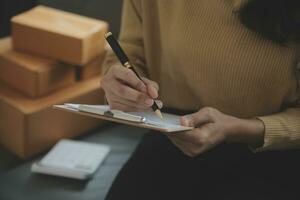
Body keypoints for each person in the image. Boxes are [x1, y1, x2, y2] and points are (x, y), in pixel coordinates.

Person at [101, 0, 300, 199]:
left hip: (271, 151)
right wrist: (121, 83)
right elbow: (131, 49)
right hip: (174, 136)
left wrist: (241, 129)